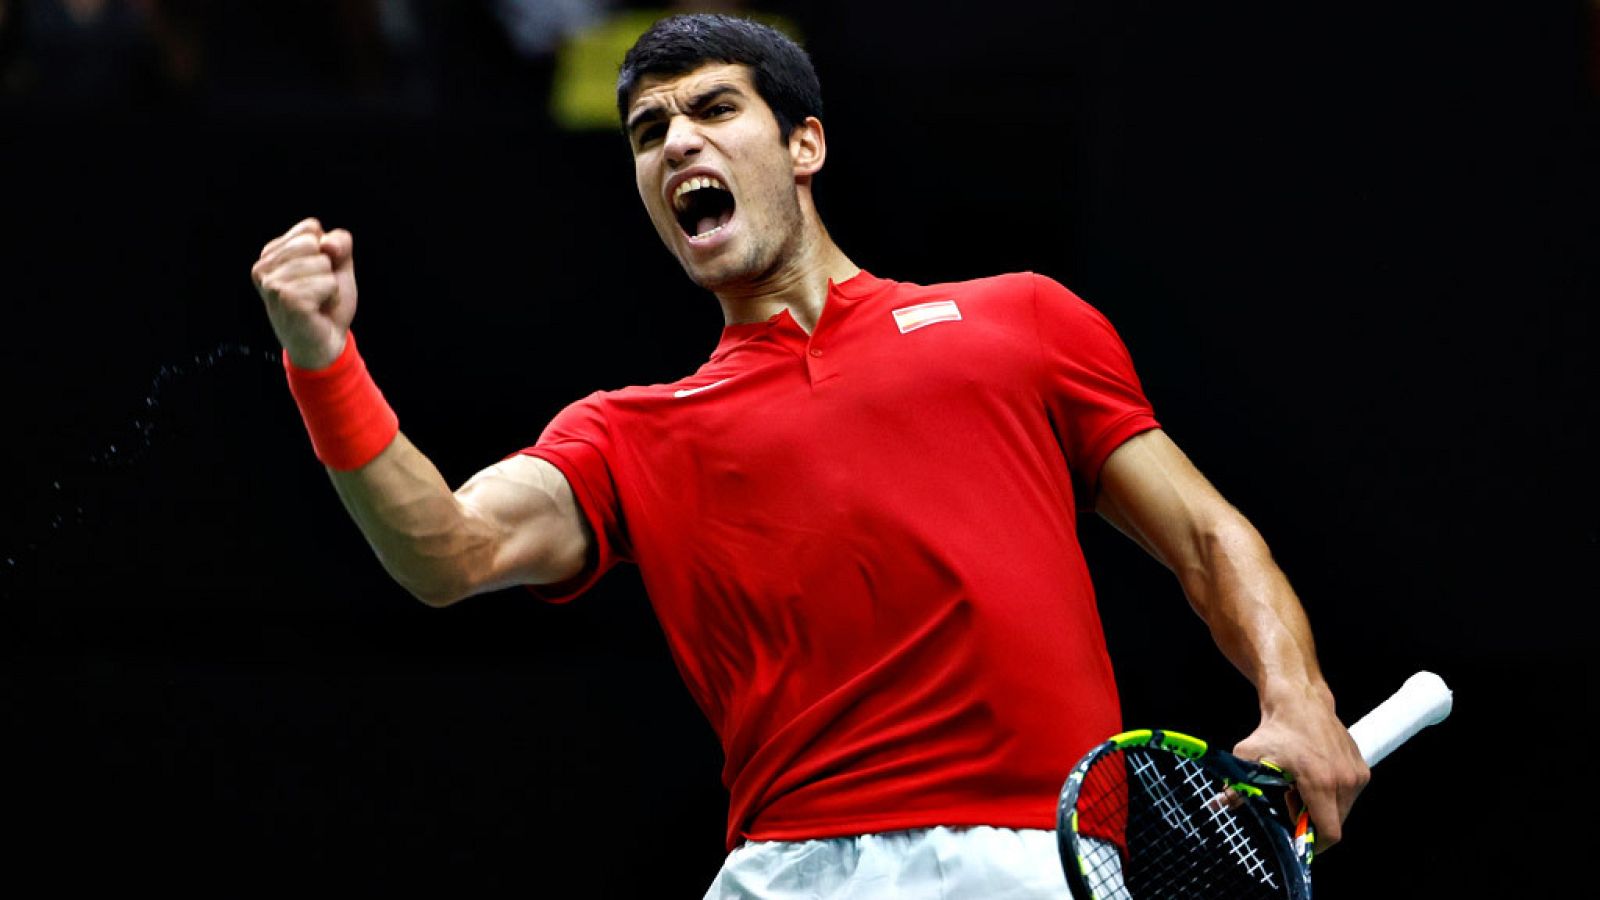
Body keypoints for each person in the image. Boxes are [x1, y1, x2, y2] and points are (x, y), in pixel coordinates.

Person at [249, 13, 1368, 898]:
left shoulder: (1021, 322)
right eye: (647, 131)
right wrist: (324, 361)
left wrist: (1298, 697)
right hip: (791, 872)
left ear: (803, 143)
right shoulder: (629, 432)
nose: (674, 141)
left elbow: (1206, 537)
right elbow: (445, 550)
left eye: (712, 110)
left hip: (1034, 859)